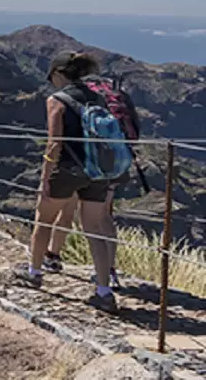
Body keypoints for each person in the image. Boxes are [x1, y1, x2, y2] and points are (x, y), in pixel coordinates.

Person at [14, 52, 119, 314]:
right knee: (94, 229)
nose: (51, 81)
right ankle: (104, 292)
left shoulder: (56, 100)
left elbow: (54, 143)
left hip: (67, 169)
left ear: (59, 74)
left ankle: (34, 273)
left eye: (51, 76)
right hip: (97, 171)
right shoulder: (99, 98)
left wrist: (45, 178)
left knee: (43, 220)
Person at [43, 74, 143, 288]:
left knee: (67, 210)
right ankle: (109, 272)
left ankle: (52, 256)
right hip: (113, 162)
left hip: (81, 162)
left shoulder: (78, 96)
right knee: (104, 216)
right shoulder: (115, 96)